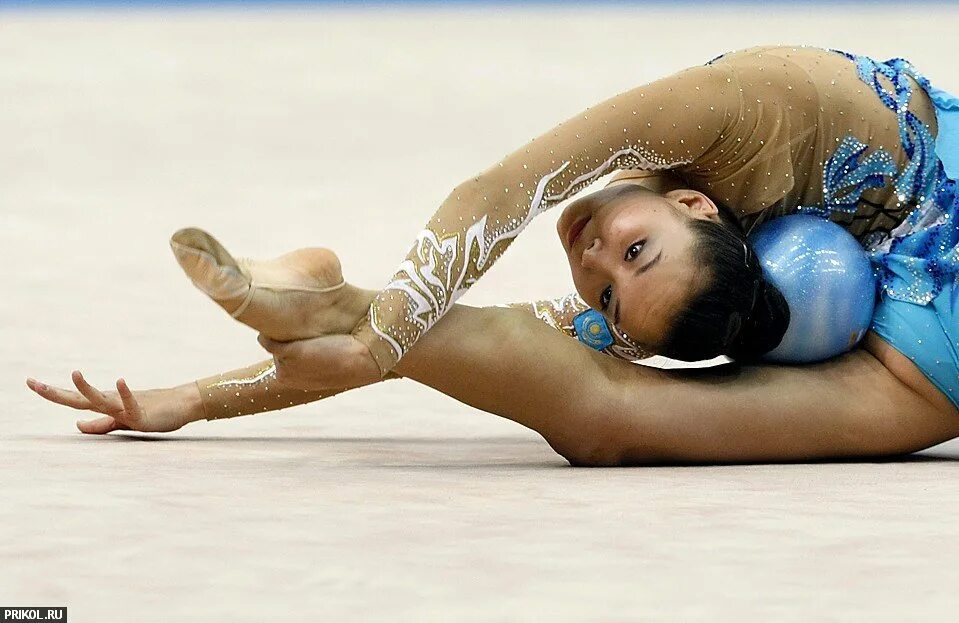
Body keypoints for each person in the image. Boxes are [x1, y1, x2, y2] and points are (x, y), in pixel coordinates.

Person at [26, 44, 959, 466]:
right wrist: (189, 402)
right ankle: (335, 300)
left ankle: (340, 303)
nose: (594, 254)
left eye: (619, 269)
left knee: (604, 422)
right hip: (890, 313)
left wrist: (206, 397)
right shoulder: (735, 113)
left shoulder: (691, 243)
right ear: (690, 203)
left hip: (924, 358)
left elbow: (416, 334)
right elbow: (499, 197)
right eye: (623, 260)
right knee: (590, 397)